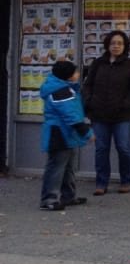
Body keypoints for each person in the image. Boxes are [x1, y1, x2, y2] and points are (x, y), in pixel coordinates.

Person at [82, 30, 130, 195]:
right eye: (113, 43)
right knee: (101, 149)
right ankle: (101, 183)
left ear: (125, 46)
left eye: (120, 43)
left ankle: (127, 181)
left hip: (122, 115)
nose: (116, 46)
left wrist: (125, 105)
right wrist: (89, 101)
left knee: (123, 147)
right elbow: (87, 85)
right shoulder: (98, 64)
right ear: (107, 45)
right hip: (99, 114)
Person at [39, 61, 94, 211]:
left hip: (65, 134)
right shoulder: (61, 91)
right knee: (56, 167)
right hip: (59, 134)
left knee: (68, 167)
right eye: (75, 72)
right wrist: (86, 132)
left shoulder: (65, 89)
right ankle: (49, 199)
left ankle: (68, 196)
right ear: (68, 76)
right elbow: (70, 115)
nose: (78, 74)